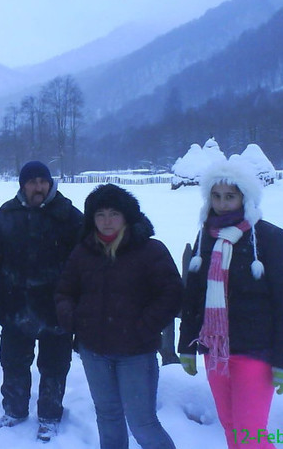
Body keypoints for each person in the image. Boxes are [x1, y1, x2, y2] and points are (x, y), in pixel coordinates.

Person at [178, 156, 283, 449]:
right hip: (216, 352)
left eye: (230, 196)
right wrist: (187, 346)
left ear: (245, 197)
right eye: (216, 196)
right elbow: (194, 297)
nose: (222, 204)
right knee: (232, 429)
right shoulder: (204, 238)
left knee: (250, 435)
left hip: (255, 351)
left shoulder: (271, 238)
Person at [55, 184, 181, 449]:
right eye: (100, 214)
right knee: (108, 417)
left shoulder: (149, 250)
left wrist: (144, 327)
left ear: (126, 216)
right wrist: (74, 320)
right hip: (94, 352)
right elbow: (64, 291)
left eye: (114, 213)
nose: (107, 221)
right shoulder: (83, 252)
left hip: (135, 353)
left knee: (142, 423)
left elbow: (171, 294)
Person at [0, 160, 84, 442]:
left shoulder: (70, 216)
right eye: (32, 182)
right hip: (16, 306)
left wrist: (76, 303)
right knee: (13, 362)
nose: (38, 187)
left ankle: (50, 416)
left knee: (54, 365)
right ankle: (14, 410)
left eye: (43, 181)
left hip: (56, 308)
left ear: (50, 183)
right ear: (22, 185)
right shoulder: (5, 216)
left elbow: (82, 265)